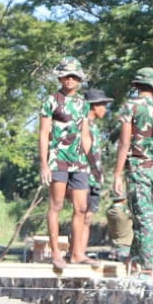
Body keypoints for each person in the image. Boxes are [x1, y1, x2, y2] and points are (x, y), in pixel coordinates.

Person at [112, 69, 153, 276]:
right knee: (148, 217)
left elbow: (124, 142)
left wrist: (117, 173)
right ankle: (133, 260)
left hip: (137, 167)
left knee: (144, 219)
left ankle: (150, 267)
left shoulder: (130, 107)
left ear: (137, 86)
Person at [37, 58, 93, 269]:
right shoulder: (51, 101)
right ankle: (56, 253)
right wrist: (44, 164)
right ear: (60, 77)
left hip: (79, 161)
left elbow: (85, 135)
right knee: (57, 205)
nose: (70, 79)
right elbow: (43, 134)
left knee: (81, 207)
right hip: (57, 158)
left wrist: (93, 163)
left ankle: (77, 252)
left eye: (74, 76)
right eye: (67, 75)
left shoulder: (83, 104)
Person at [84, 88, 112, 220]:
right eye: (103, 106)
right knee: (83, 215)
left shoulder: (94, 127)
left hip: (94, 179)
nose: (105, 110)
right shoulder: (83, 125)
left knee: (88, 216)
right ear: (94, 106)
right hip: (85, 177)